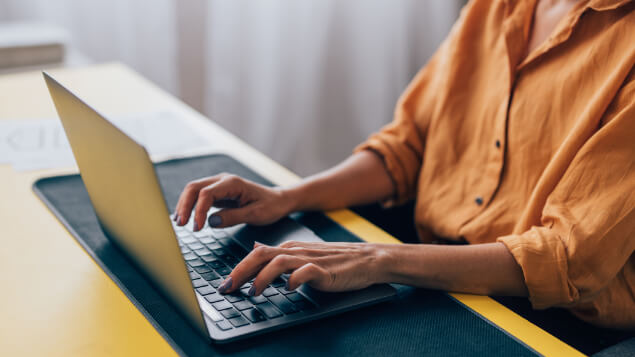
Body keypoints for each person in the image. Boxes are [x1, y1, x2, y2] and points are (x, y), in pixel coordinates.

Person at [173, 0, 634, 330]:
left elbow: (565, 261)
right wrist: (287, 196)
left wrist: (377, 259)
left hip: (550, 320)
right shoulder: (493, 8)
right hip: (433, 271)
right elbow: (408, 146)